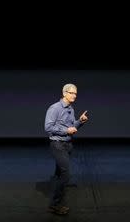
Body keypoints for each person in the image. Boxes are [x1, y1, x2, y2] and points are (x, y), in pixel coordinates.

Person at [44, 83, 89, 215]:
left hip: (67, 145)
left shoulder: (71, 108)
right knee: (66, 174)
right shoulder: (54, 108)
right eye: (71, 93)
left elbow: (72, 127)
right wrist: (66, 130)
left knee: (59, 174)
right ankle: (54, 204)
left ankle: (58, 197)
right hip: (57, 144)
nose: (74, 95)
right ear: (64, 93)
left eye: (75, 93)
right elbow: (48, 128)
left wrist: (80, 121)